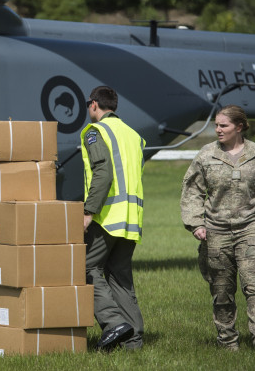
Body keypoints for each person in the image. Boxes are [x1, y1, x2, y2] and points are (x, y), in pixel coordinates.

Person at [180, 105, 255, 351]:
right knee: (222, 291)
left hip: (251, 228)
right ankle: (228, 341)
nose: (218, 130)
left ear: (239, 127)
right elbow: (192, 191)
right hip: (216, 232)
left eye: (223, 125)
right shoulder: (206, 155)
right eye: (216, 125)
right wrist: (196, 224)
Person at [81, 86, 145, 351]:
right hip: (132, 218)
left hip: (107, 217)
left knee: (84, 267)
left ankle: (112, 321)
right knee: (119, 277)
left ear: (94, 104)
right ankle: (134, 340)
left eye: (88, 104)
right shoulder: (134, 135)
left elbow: (103, 173)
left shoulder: (96, 132)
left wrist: (88, 211)